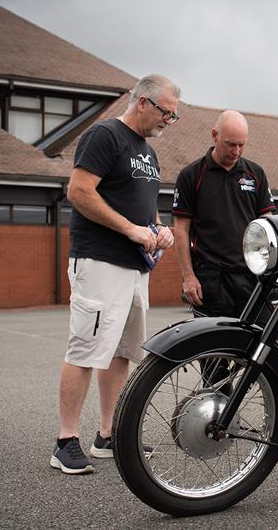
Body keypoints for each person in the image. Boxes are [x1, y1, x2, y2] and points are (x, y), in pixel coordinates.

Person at [50, 74, 180, 475]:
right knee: (86, 350)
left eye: (173, 117)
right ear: (142, 102)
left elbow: (144, 205)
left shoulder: (148, 152)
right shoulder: (104, 135)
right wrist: (129, 229)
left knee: (122, 352)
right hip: (100, 260)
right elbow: (79, 191)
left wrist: (160, 230)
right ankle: (65, 442)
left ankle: (108, 435)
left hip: (136, 267)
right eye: (166, 113)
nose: (167, 122)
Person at [172, 110, 275, 318]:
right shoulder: (191, 176)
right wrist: (188, 277)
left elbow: (267, 226)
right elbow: (181, 231)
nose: (236, 151)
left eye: (242, 144)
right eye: (230, 144)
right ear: (214, 135)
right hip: (211, 280)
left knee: (268, 346)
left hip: (251, 278)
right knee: (214, 347)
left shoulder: (255, 174)